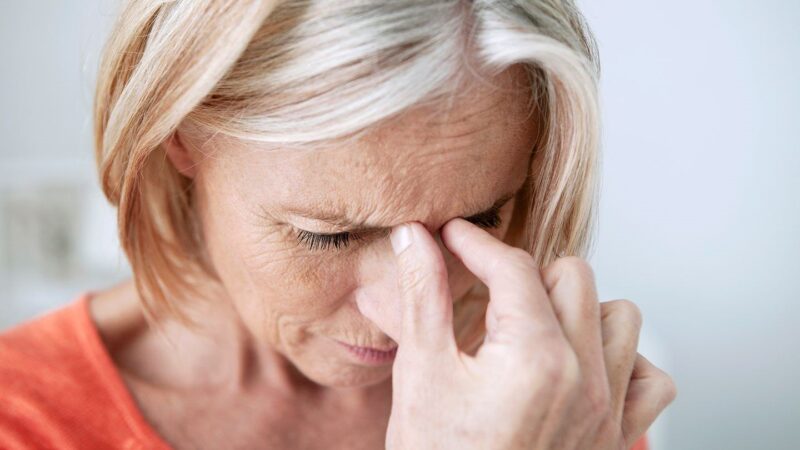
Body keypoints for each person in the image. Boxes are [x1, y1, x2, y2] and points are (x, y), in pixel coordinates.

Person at [0, 0, 675, 448]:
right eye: (329, 234)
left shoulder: (545, 396)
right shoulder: (23, 418)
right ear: (179, 136)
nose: (406, 317)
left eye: (478, 220)